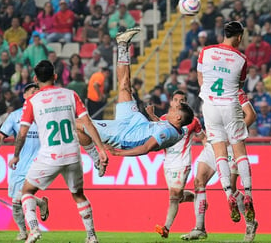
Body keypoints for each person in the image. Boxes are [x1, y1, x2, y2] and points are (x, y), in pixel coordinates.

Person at [8, 60, 107, 243]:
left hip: (49, 156)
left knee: (27, 192)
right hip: (72, 154)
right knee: (78, 195)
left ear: (35, 79)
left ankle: (34, 229)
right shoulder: (71, 94)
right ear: (55, 76)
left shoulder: (32, 101)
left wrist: (16, 155)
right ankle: (91, 236)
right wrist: (100, 150)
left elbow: (22, 133)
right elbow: (87, 124)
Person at [76, 28, 194, 163]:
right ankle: (122, 44)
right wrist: (152, 116)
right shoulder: (179, 130)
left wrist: (118, 153)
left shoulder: (168, 132)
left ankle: (96, 159)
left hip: (122, 135)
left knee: (76, 123)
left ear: (178, 117)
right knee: (125, 86)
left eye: (175, 108)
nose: (172, 107)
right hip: (136, 122)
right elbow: (164, 127)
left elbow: (145, 148)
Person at [197, 21, 255, 225]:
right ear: (239, 37)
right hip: (230, 104)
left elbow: (200, 79)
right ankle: (247, 194)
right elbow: (238, 85)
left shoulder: (206, 51)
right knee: (240, 152)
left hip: (210, 106)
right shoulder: (241, 58)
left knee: (219, 152)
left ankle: (229, 193)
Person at [181, 89, 258, 242]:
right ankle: (199, 228)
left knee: (233, 187)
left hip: (231, 144)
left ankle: (250, 224)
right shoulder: (210, 86)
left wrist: (234, 134)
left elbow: (251, 114)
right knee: (199, 182)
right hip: (213, 144)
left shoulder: (235, 90)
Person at [0, 83, 49, 241]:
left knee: (24, 196)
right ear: (25, 95)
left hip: (38, 163)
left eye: (38, 91)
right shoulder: (15, 116)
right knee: (16, 202)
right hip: (20, 164)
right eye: (32, 91)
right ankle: (24, 229)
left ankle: (34, 230)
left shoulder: (45, 114)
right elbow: (0, 136)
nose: (36, 94)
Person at [146, 90, 204, 239]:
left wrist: (210, 152)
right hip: (168, 163)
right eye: (176, 99)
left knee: (173, 197)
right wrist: (152, 116)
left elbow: (203, 138)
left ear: (186, 103)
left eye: (182, 100)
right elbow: (160, 130)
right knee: (176, 197)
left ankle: (166, 228)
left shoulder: (193, 121)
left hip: (183, 162)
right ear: (172, 102)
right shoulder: (166, 118)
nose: (179, 102)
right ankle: (197, 198)